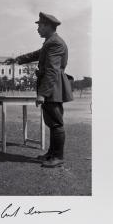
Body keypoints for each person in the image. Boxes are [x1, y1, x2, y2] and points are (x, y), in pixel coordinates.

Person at [6, 12, 73, 168]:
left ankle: (58, 156)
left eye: (40, 26)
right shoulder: (50, 42)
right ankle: (51, 153)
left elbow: (51, 70)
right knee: (51, 122)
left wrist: (42, 94)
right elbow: (37, 54)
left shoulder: (54, 43)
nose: (37, 29)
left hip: (52, 87)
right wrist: (17, 59)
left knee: (56, 123)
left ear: (48, 26)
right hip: (51, 87)